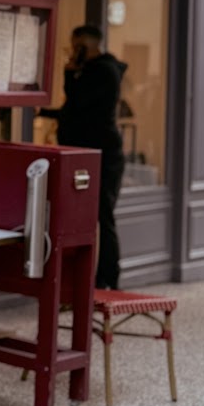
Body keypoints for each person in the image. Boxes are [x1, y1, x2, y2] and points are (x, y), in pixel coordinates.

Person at [48, 24, 128, 289]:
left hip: (103, 155)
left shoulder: (104, 71)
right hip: (87, 152)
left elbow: (78, 104)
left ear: (89, 44)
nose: (73, 51)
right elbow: (75, 108)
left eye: (77, 45)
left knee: (103, 215)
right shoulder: (93, 71)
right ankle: (88, 276)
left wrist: (70, 72)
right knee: (86, 215)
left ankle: (108, 278)